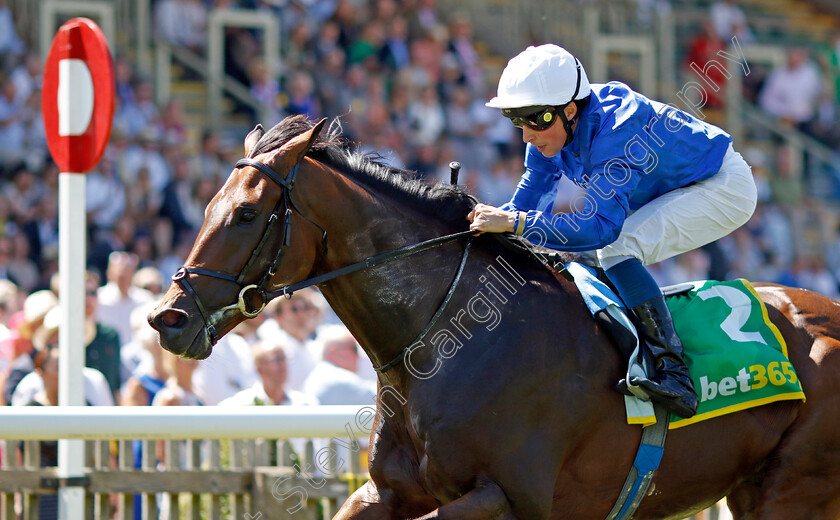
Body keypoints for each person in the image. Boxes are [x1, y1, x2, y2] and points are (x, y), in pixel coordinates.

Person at [470, 44, 758, 418]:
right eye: (516, 119)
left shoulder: (619, 130)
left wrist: (516, 223)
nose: (527, 135)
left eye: (534, 119)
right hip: (678, 187)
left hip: (723, 186)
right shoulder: (554, 124)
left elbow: (600, 228)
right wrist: (492, 224)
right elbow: (531, 193)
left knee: (617, 249)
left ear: (570, 110)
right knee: (592, 255)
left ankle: (675, 373)